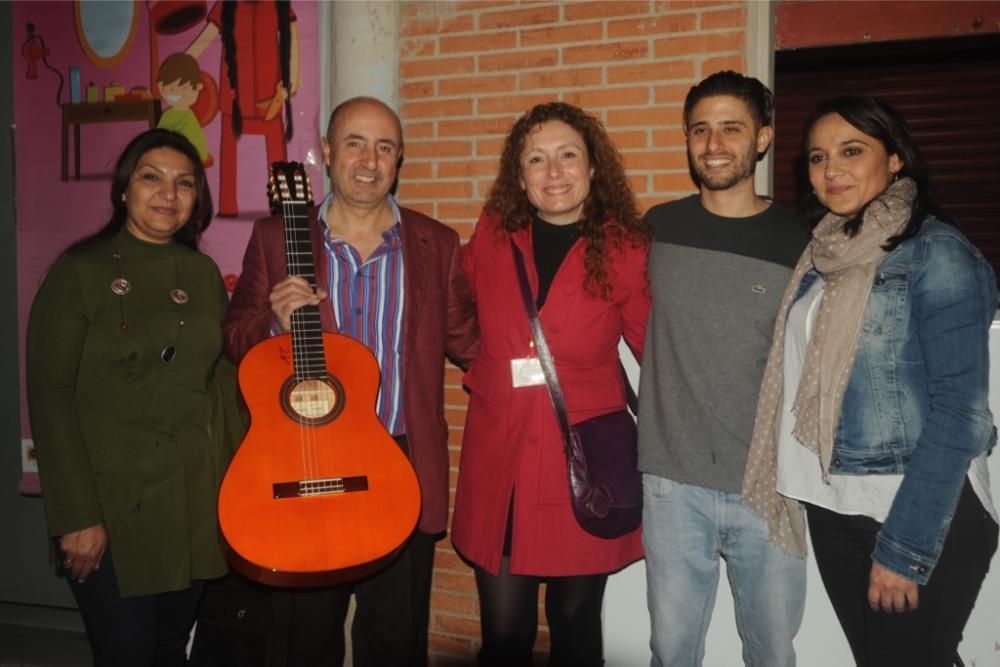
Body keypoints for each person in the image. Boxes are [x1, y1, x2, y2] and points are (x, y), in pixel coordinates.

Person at [743, 95, 1000, 666]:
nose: (830, 170)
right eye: (816, 157)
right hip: (836, 503)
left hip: (917, 511)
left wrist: (904, 549)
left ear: (896, 160)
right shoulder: (821, 257)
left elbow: (962, 414)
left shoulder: (938, 254)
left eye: (851, 150)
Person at [221, 96, 477, 667]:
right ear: (328, 153)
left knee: (394, 639)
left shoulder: (437, 244)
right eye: (356, 143)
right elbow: (234, 339)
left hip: (401, 466)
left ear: (399, 158)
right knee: (303, 640)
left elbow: (472, 342)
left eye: (385, 146)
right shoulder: (274, 238)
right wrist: (271, 322)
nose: (370, 159)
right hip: (304, 465)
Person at [25, 128, 238, 665]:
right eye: (152, 177)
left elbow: (223, 380)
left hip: (190, 506)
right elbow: (50, 402)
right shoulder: (81, 272)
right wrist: (75, 517)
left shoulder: (204, 275)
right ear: (124, 190)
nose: (168, 194)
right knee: (126, 654)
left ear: (196, 200)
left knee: (170, 651)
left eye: (184, 183)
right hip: (110, 512)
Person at [451, 101, 650, 667]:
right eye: (536, 159)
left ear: (592, 169)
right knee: (506, 635)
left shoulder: (627, 251)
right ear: (520, 175)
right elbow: (453, 303)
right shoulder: (492, 235)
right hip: (504, 456)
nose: (554, 172)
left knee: (575, 624)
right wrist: (483, 363)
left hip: (586, 461)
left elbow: (655, 355)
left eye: (568, 156)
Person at [638, 71, 810, 666]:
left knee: (772, 653)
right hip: (670, 482)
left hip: (768, 485)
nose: (713, 144)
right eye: (700, 130)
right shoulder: (657, 230)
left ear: (761, 138)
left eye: (731, 128)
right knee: (672, 652)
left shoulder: (802, 241)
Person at [156, 52, 211, 166]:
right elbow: (158, 137)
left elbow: (198, 146)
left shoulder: (188, 117)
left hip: (189, 158)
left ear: (198, 87)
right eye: (171, 89)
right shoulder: (167, 115)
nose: (178, 94)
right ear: (161, 87)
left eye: (185, 88)